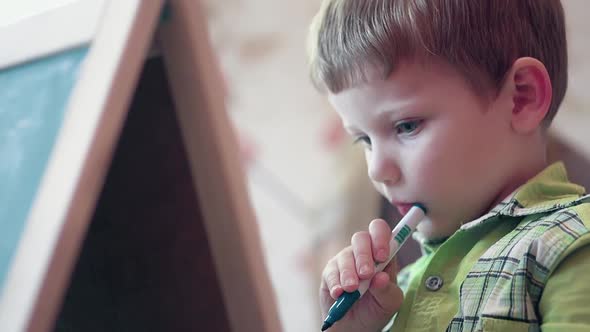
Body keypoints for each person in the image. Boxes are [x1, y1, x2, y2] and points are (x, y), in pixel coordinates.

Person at [306, 1, 590, 331]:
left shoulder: (571, 248)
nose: (377, 170)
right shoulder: (402, 289)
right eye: (364, 140)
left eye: (406, 126)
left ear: (521, 97)